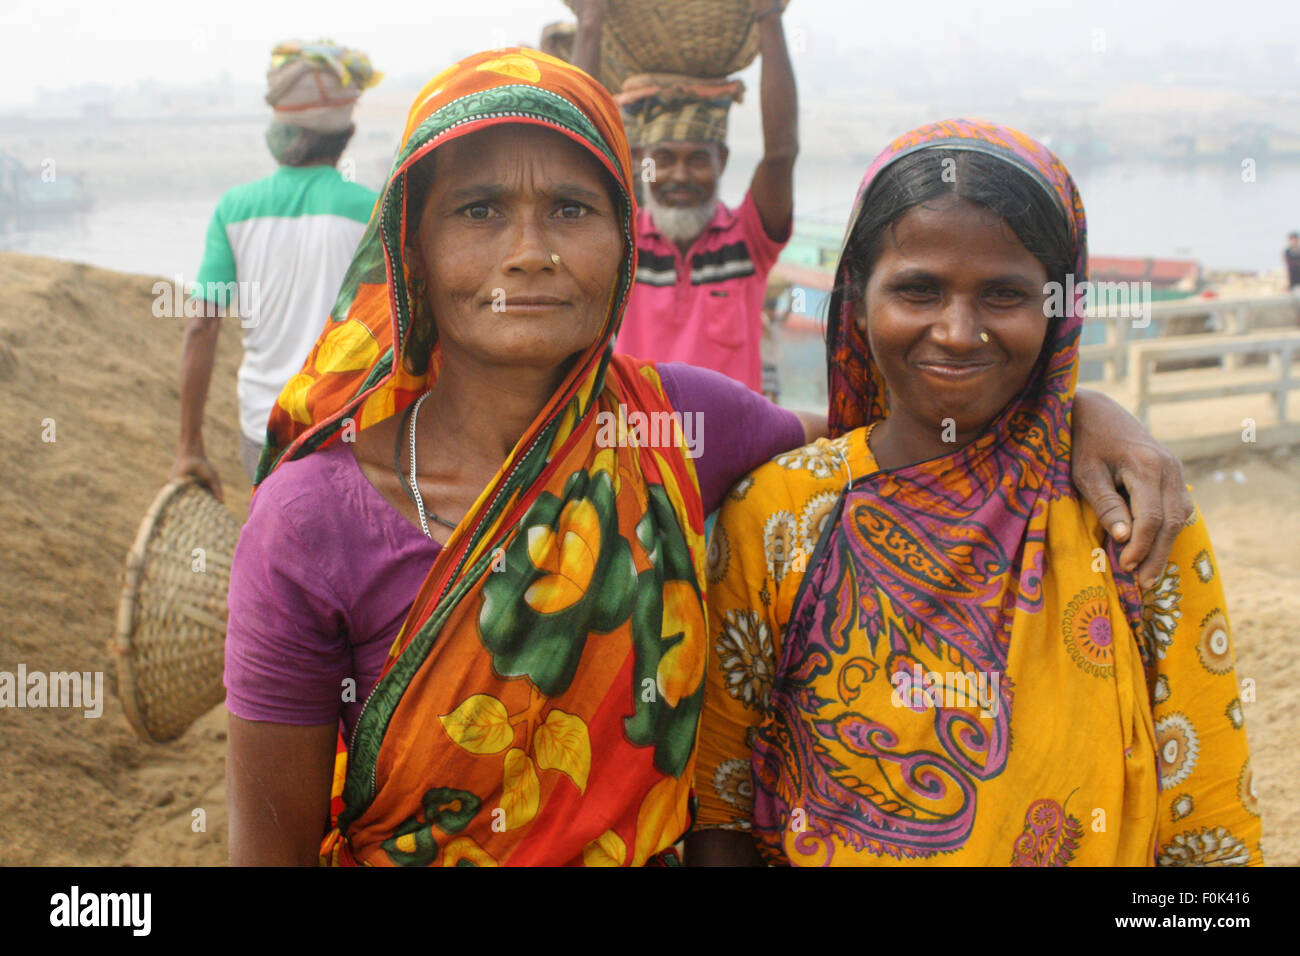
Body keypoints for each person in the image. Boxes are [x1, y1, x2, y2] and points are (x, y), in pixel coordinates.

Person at [223, 52, 1197, 867]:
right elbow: (267, 849)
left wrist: (1087, 415)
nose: (530, 251)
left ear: (620, 239)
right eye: (478, 210)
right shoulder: (311, 519)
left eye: (571, 208)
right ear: (411, 242)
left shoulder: (682, 421)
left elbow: (902, 430)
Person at [688, 120, 1263, 867]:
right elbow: (720, 801)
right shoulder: (778, 516)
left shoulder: (1132, 519)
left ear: (1059, 309)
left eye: (1004, 295)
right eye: (918, 289)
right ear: (857, 300)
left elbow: (1208, 826)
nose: (957, 332)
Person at [171, 41, 381, 496]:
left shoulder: (234, 209)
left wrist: (189, 445)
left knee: (278, 547)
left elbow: (200, 328)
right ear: (345, 136)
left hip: (263, 427)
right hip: (349, 425)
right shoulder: (373, 211)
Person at [573, 0, 796, 392]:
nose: (680, 175)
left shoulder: (747, 241)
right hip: (639, 447)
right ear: (642, 162)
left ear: (722, 161)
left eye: (697, 160)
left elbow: (780, 154)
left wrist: (769, 16)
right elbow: (578, 156)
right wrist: (591, 24)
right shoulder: (623, 243)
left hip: (736, 451)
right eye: (664, 160)